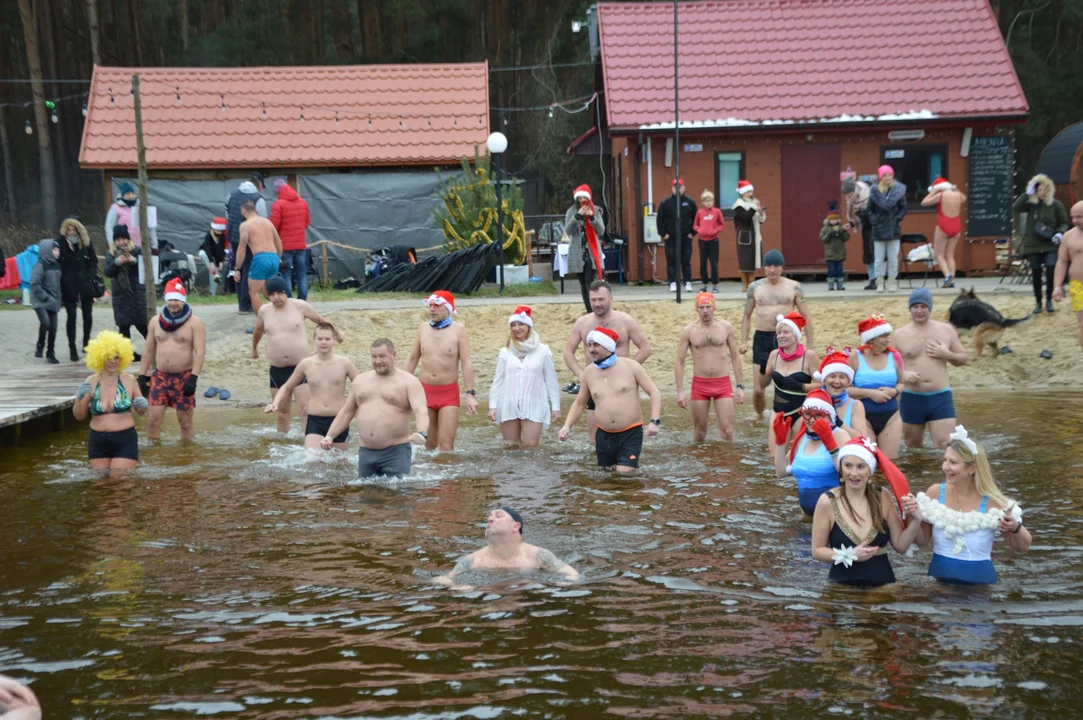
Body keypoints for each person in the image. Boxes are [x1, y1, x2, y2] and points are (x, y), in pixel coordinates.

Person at [901, 425, 1031, 585]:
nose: (945, 467)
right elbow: (921, 542)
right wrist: (914, 516)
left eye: (953, 462)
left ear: (972, 468)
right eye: (945, 460)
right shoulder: (935, 493)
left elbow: (1023, 547)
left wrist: (1015, 527)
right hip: (939, 583)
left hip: (979, 587)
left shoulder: (994, 502)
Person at [811, 437, 924, 586]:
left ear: (870, 470)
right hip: (841, 591)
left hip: (883, 588)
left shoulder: (882, 496)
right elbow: (817, 551)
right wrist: (849, 555)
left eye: (860, 466)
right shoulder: (827, 501)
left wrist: (916, 520)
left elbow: (900, 546)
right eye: (848, 466)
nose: (854, 473)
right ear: (840, 468)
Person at [558, 327, 662, 473]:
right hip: (603, 434)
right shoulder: (589, 372)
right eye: (589, 345)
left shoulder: (630, 366)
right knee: (606, 477)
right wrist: (566, 426)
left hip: (630, 432)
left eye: (596, 345)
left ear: (607, 346)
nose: (591, 349)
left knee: (624, 473)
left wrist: (655, 421)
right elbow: (580, 403)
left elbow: (654, 392)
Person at [321, 338, 429, 478]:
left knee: (396, 495)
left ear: (394, 355)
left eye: (382, 356)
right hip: (366, 452)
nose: (377, 361)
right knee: (366, 496)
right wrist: (329, 436)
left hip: (396, 452)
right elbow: (347, 412)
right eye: (374, 356)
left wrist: (422, 433)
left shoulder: (408, 382)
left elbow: (421, 410)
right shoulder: (360, 381)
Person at [562, 280, 652, 444]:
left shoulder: (625, 321)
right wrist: (581, 375)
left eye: (601, 299)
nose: (597, 304)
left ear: (611, 298)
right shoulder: (583, 323)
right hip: (594, 384)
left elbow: (646, 348)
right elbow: (568, 352)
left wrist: (628, 369)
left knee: (625, 431)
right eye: (593, 300)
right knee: (594, 439)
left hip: (621, 384)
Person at [252, 275, 342, 434]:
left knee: (305, 410)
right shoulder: (264, 311)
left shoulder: (300, 306)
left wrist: (336, 332)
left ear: (286, 292)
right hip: (277, 369)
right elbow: (258, 331)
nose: (276, 297)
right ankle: (282, 446)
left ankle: (308, 443)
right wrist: (254, 348)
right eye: (272, 294)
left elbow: (321, 321)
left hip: (301, 367)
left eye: (279, 293)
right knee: (281, 412)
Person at [739, 250, 815, 416]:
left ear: (782, 267)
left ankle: (789, 415)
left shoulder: (794, 287)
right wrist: (743, 341)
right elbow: (747, 315)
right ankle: (760, 417)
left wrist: (810, 345)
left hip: (787, 338)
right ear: (764, 267)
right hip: (762, 339)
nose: (772, 269)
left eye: (775, 266)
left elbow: (806, 316)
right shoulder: (755, 287)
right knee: (759, 388)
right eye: (768, 266)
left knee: (786, 383)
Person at [265, 322, 359, 451]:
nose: (323, 342)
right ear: (314, 340)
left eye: (327, 339)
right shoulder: (306, 364)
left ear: (334, 341)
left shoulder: (345, 363)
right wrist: (275, 403)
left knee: (339, 464)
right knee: (311, 460)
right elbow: (287, 387)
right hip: (315, 419)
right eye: (320, 339)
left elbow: (361, 385)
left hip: (339, 419)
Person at [404, 291, 479, 451]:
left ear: (448, 308)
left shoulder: (459, 330)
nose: (432, 309)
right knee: (429, 445)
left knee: (446, 445)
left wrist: (470, 394)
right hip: (424, 392)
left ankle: (447, 476)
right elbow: (412, 359)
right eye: (430, 305)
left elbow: (466, 362)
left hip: (448, 393)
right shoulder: (423, 328)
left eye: (436, 305)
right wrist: (399, 386)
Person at [434, 507, 580, 588]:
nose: (490, 519)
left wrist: (565, 583)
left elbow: (572, 574)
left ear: (515, 526)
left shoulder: (538, 556)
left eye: (498, 516)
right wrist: (456, 586)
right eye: (490, 516)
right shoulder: (473, 560)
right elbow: (442, 579)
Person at [894, 288, 967, 449]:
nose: (919, 311)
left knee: (945, 445)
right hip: (912, 397)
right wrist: (902, 374)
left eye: (923, 306)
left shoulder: (945, 330)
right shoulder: (899, 335)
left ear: (930, 308)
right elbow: (887, 366)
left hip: (940, 397)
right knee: (912, 446)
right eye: (915, 307)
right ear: (910, 308)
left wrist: (947, 354)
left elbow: (963, 358)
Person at [137, 278, 206, 441]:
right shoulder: (155, 321)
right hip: (160, 377)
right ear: (166, 299)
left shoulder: (194, 323)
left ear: (183, 301)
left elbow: (201, 352)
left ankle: (187, 460)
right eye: (170, 299)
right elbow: (148, 350)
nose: (173, 303)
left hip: (183, 377)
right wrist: (142, 375)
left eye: (177, 299)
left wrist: (193, 379)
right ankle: (155, 460)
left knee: (185, 424)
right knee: (153, 421)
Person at [73, 330, 148, 476]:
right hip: (97, 440)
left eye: (116, 357)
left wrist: (143, 405)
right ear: (99, 358)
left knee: (119, 480)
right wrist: (79, 398)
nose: (112, 361)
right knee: (100, 485)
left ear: (122, 358)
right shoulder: (91, 381)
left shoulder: (130, 380)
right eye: (108, 357)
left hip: (125, 438)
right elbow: (79, 416)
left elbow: (141, 412)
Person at [675, 291, 745, 441]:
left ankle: (728, 462)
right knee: (699, 432)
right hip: (700, 384)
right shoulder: (689, 331)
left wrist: (740, 386)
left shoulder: (726, 327)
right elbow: (680, 361)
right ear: (696, 309)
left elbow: (735, 356)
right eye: (701, 307)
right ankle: (699, 463)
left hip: (723, 383)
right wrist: (680, 391)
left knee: (728, 431)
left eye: (708, 307)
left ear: (714, 308)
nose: (705, 311)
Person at [488, 306, 561, 448]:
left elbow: (551, 380)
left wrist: (556, 407)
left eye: (520, 324)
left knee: (531, 446)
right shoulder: (505, 351)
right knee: (510, 445)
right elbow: (497, 381)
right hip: (509, 403)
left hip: (534, 403)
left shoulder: (543, 350)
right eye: (513, 325)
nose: (517, 328)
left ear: (529, 326)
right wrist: (493, 406)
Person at [848, 315, 913, 460]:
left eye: (888, 335)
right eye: (883, 336)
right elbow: (842, 389)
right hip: (863, 417)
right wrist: (869, 393)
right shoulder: (855, 357)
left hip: (891, 417)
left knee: (890, 464)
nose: (888, 340)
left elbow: (901, 383)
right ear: (871, 338)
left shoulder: (893, 356)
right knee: (867, 460)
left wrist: (894, 391)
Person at [765, 311, 820, 477]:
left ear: (796, 335)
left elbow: (824, 384)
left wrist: (802, 386)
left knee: (800, 457)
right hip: (778, 411)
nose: (781, 336)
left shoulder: (808, 356)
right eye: (779, 333)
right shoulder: (774, 355)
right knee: (775, 460)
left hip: (801, 412)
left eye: (786, 332)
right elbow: (764, 380)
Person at [785, 390, 851, 517]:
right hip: (807, 515)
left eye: (819, 415)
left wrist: (830, 444)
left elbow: (848, 475)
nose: (812, 420)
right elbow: (781, 473)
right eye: (807, 414)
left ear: (829, 416)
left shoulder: (840, 435)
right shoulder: (802, 438)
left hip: (835, 515)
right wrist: (780, 444)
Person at [1013, 173, 1070, 314]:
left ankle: (1049, 301)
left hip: (1049, 243)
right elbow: (1016, 206)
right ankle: (1038, 302)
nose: (1042, 193)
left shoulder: (1055, 205)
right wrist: (1027, 194)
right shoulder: (1031, 205)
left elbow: (1064, 222)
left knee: (1051, 269)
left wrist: (1060, 233)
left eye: (1045, 189)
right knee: (1036, 273)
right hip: (1033, 244)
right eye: (1039, 190)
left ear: (1050, 190)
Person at [225, 172, 268, 313]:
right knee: (248, 269)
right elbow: (262, 219)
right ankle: (245, 304)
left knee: (238, 268)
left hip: (233, 236)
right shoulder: (258, 198)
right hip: (250, 238)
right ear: (259, 184)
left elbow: (228, 214)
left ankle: (241, 302)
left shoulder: (232, 194)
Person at [102, 225, 148, 357]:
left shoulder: (137, 251)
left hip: (137, 292)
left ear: (128, 239)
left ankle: (155, 351)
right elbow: (108, 272)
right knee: (124, 327)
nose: (121, 242)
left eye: (124, 239)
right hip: (121, 294)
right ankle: (127, 355)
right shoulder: (110, 254)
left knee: (143, 324)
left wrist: (133, 261)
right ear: (114, 241)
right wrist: (117, 262)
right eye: (118, 239)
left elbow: (146, 268)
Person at [57, 217, 97, 361]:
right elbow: (56, 262)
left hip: (85, 283)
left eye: (74, 229)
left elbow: (94, 260)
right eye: (69, 229)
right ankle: (72, 347)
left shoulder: (86, 242)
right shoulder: (60, 243)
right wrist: (63, 277)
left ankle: (86, 341)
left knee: (88, 315)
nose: (72, 232)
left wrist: (90, 276)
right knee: (71, 317)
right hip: (69, 285)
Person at [232, 200, 283, 314]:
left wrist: (237, 268)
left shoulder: (245, 225)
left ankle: (262, 323)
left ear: (243, 211)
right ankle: (285, 311)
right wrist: (279, 257)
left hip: (261, 258)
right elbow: (278, 241)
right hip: (274, 256)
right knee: (267, 292)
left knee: (253, 292)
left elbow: (241, 249)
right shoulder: (268, 222)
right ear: (255, 210)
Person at [563, 184, 606, 313]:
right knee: (583, 283)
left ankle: (594, 309)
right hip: (578, 252)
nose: (582, 200)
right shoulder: (571, 211)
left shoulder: (596, 211)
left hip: (591, 252)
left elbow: (601, 231)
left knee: (589, 281)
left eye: (584, 197)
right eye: (579, 197)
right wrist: (577, 216)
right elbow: (567, 231)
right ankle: (589, 311)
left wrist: (591, 217)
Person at [866, 165, 907, 293]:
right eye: (885, 175)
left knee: (893, 258)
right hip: (878, 229)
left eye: (889, 175)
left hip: (893, 229)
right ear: (880, 177)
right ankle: (880, 283)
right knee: (878, 259)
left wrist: (896, 219)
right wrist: (875, 221)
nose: (887, 177)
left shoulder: (898, 191)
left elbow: (903, 208)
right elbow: (869, 210)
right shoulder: (874, 191)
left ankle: (892, 282)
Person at [921, 177, 967, 288]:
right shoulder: (957, 195)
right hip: (956, 224)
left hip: (944, 223)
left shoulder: (940, 195)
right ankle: (953, 277)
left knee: (939, 254)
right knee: (950, 254)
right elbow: (964, 198)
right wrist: (956, 189)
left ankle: (947, 276)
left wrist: (934, 192)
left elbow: (924, 202)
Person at [271, 178, 311, 300]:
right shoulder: (303, 202)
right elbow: (307, 223)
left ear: (278, 192)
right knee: (301, 274)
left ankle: (289, 300)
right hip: (301, 245)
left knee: (285, 274)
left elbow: (274, 226)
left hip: (285, 246)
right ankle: (303, 300)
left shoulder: (278, 204)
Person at [812, 348, 865, 438]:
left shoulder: (855, 405)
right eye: (832, 376)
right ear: (824, 380)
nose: (837, 381)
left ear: (848, 382)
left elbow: (861, 439)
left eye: (842, 377)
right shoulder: (813, 402)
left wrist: (838, 423)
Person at [1052, 201, 1083, 351]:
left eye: (1080, 217)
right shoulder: (1068, 236)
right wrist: (1057, 286)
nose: (1075, 220)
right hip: (1078, 285)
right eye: (1073, 217)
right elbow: (1062, 262)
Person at [657, 178, 697, 292]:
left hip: (686, 237)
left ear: (684, 187)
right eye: (675, 187)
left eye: (680, 187)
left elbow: (696, 218)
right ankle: (673, 282)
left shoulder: (690, 202)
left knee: (686, 260)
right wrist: (663, 234)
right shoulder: (666, 202)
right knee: (671, 261)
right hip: (671, 237)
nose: (678, 189)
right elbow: (660, 219)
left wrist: (692, 232)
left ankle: (688, 282)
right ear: (672, 188)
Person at [30, 239, 61, 364]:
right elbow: (35, 284)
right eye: (55, 250)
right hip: (41, 301)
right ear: (48, 251)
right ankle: (40, 344)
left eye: (58, 250)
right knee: (46, 322)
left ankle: (50, 352)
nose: (58, 252)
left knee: (53, 328)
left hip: (53, 301)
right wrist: (45, 297)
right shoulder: (40, 265)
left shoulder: (57, 265)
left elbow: (59, 285)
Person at [842, 177, 876, 290]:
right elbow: (854, 217)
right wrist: (851, 224)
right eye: (846, 194)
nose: (847, 196)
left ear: (853, 190)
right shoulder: (850, 200)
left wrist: (865, 213)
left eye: (849, 193)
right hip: (865, 227)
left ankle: (880, 279)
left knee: (879, 254)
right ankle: (872, 279)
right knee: (868, 253)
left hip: (876, 225)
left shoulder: (867, 192)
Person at [105, 181, 158, 252]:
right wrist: (112, 245)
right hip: (124, 247)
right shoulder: (116, 208)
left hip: (142, 247)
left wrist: (154, 246)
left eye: (132, 193)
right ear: (122, 195)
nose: (131, 196)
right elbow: (109, 226)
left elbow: (151, 227)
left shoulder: (142, 206)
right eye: (127, 194)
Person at [732, 180, 766, 292]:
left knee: (753, 261)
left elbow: (760, 220)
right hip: (744, 236)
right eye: (747, 191)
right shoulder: (738, 205)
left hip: (755, 234)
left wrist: (761, 213)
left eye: (750, 191)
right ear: (742, 192)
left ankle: (752, 283)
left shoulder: (754, 203)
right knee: (744, 260)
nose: (750, 193)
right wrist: (754, 207)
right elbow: (745, 217)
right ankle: (744, 283)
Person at [693, 190, 724, 292]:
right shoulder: (699, 212)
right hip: (702, 241)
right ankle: (705, 284)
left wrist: (715, 230)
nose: (709, 202)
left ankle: (715, 285)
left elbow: (722, 224)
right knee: (703, 263)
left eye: (710, 200)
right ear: (702, 202)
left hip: (713, 240)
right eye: (706, 201)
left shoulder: (717, 212)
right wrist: (699, 230)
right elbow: (695, 225)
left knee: (714, 263)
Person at [820, 203, 848, 291]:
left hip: (840, 252)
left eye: (836, 219)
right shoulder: (825, 228)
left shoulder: (840, 228)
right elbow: (822, 238)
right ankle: (831, 286)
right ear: (829, 220)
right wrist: (829, 235)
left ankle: (840, 285)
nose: (834, 221)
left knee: (840, 270)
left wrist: (841, 234)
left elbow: (846, 237)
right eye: (832, 220)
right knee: (831, 270)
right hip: (830, 253)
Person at [199, 218, 228, 296]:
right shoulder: (208, 235)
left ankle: (213, 293)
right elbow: (207, 249)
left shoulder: (223, 236)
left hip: (215, 257)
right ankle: (215, 272)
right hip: (206, 254)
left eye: (221, 231)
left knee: (213, 273)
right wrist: (211, 262)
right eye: (217, 230)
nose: (219, 232)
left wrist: (221, 262)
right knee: (202, 254)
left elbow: (222, 250)